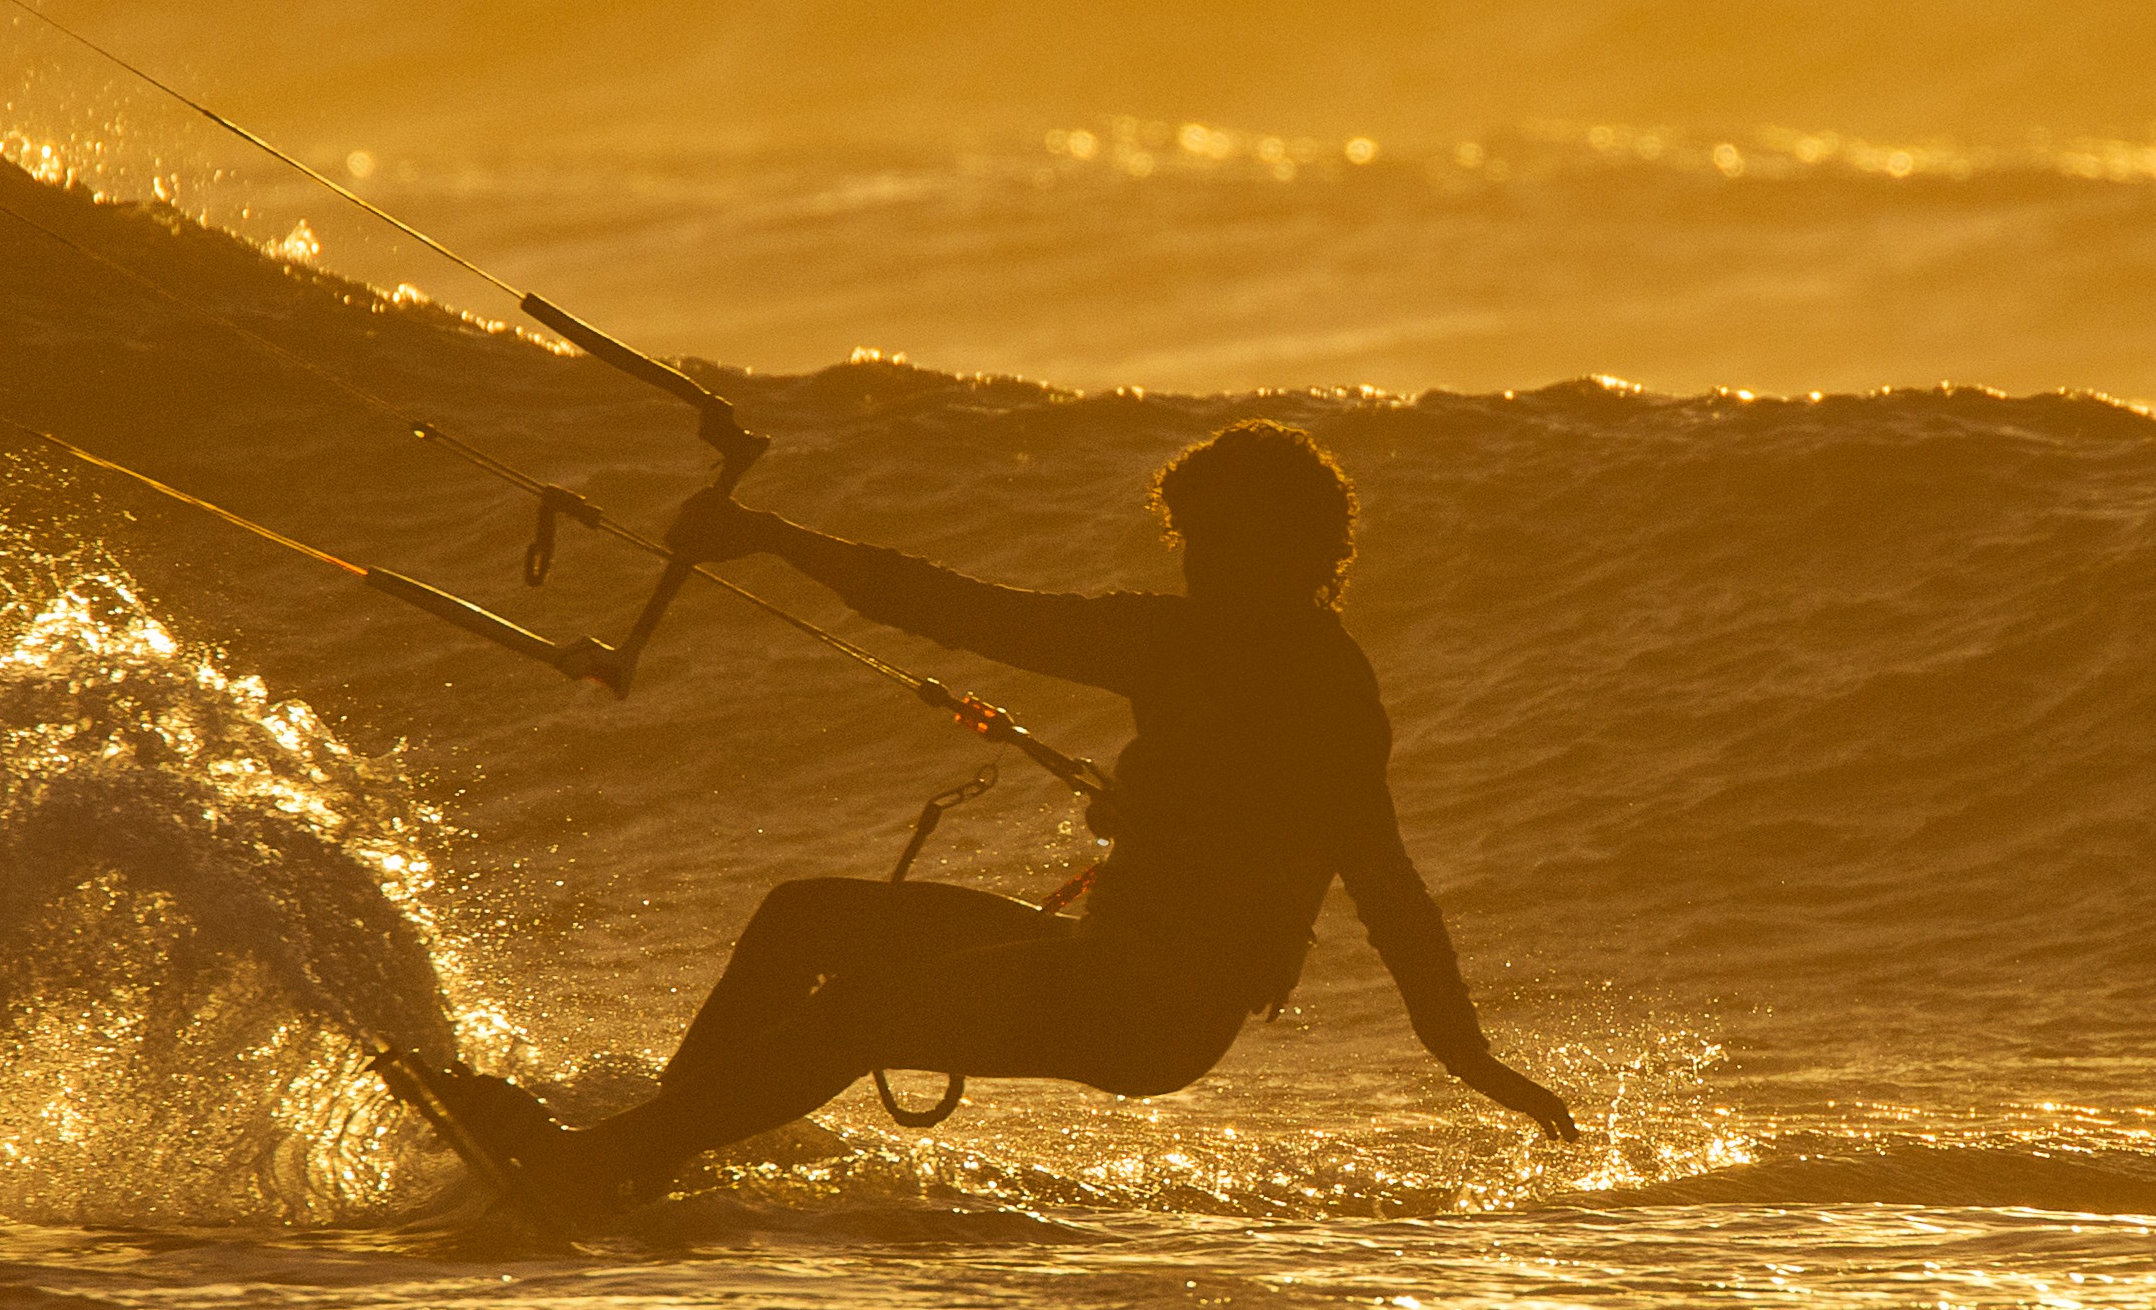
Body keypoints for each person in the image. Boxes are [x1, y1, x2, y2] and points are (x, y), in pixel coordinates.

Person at [448, 420, 1574, 1221]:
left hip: (1161, 1010)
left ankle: (597, 1163)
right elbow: (963, 612)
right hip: (1102, 959)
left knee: (870, 1008)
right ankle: (643, 1160)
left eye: (1228, 545)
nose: (1202, 567)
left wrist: (1466, 1056)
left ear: (1301, 555)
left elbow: (1386, 885)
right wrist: (780, 539)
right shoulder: (1170, 641)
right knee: (805, 920)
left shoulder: (1326, 696)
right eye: (1191, 543)